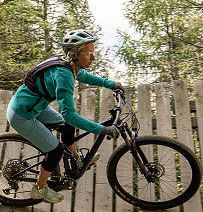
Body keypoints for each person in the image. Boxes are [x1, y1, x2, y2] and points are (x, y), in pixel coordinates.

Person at [7, 29, 123, 203]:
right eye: (88, 52)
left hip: (34, 106)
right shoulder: (64, 75)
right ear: (73, 53)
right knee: (56, 151)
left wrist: (111, 84)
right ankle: (39, 188)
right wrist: (101, 129)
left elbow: (83, 75)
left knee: (67, 126)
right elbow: (69, 114)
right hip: (22, 115)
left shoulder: (69, 65)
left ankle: (76, 160)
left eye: (93, 51)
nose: (93, 58)